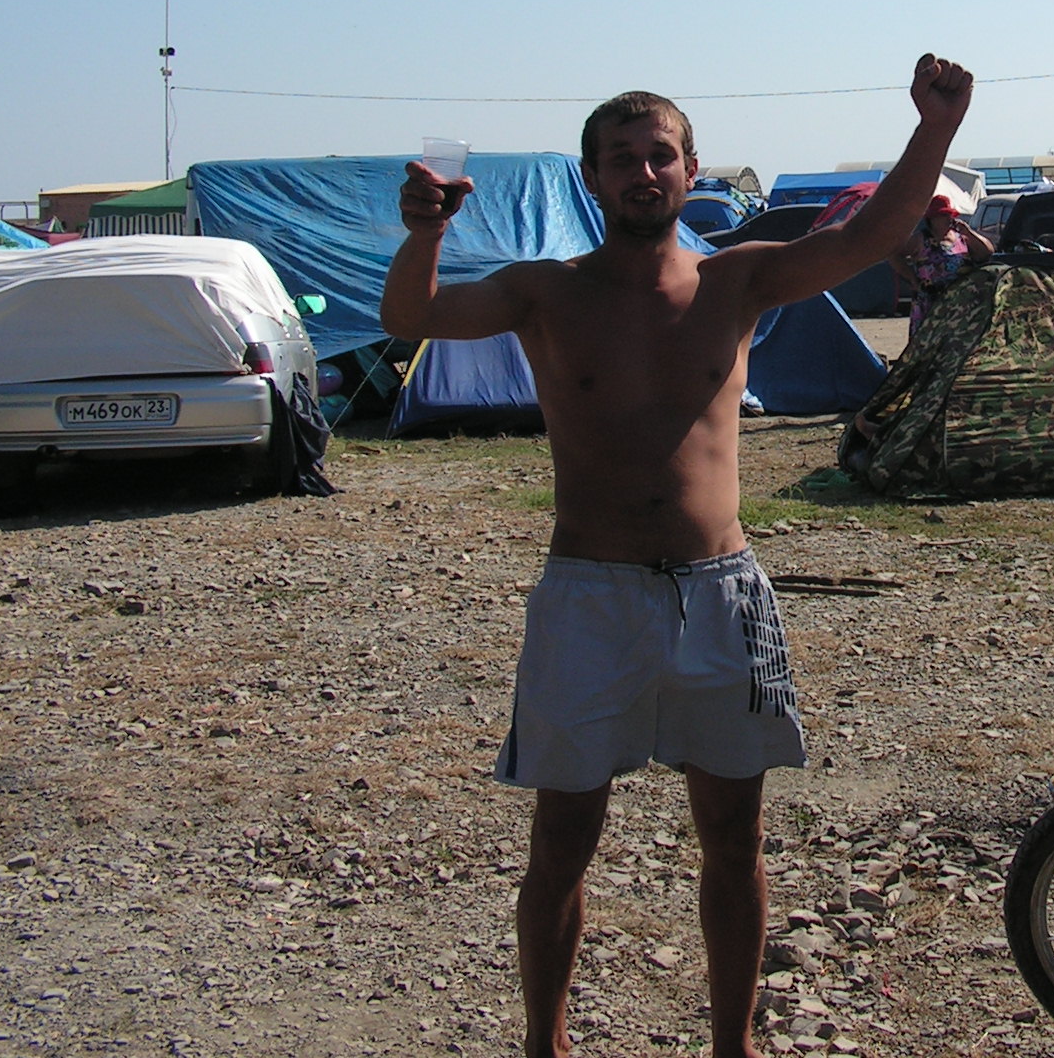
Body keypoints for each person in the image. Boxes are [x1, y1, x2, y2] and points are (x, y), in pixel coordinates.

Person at [381, 53, 974, 1058]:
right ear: (591, 178)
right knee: (562, 843)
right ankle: (544, 1045)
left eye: (660, 155)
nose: (642, 172)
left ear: (692, 171)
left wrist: (935, 129)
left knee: (734, 840)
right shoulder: (545, 292)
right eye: (621, 158)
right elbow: (412, 319)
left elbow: (871, 236)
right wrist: (427, 231)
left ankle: (732, 1045)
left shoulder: (738, 281)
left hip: (719, 595)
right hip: (588, 596)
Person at [889, 194, 992, 337]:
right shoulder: (921, 239)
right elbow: (895, 255)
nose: (949, 219)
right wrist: (912, 278)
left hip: (960, 302)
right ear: (932, 219)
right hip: (931, 302)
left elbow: (987, 252)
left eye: (950, 215)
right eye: (943, 215)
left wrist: (968, 232)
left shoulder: (961, 237)